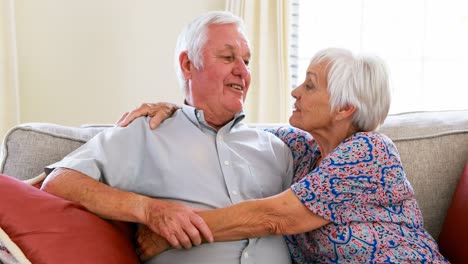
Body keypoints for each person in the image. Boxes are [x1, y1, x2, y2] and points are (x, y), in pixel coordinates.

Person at [122, 48, 449, 263]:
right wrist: (179, 111)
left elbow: (273, 217)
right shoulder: (303, 149)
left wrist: (174, 233)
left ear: (344, 108)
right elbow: (227, 131)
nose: (295, 92)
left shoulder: (370, 152)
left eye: (310, 86)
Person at [41, 11, 294, 264]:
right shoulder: (146, 131)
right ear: (188, 65)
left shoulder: (277, 149)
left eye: (247, 61)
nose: (242, 71)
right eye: (228, 57)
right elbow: (59, 182)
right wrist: (148, 210)